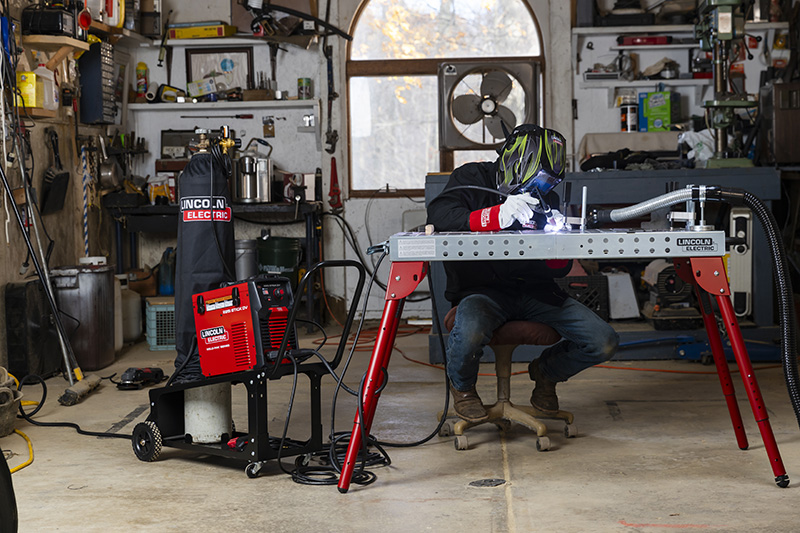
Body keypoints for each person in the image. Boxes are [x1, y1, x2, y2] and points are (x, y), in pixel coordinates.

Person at [426, 124, 619, 423]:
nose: (542, 191)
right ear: (519, 163)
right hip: (483, 291)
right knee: (471, 330)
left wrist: (558, 243)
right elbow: (439, 215)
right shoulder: (472, 178)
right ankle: (463, 389)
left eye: (549, 184)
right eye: (540, 181)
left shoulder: (547, 201)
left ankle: (546, 374)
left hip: (536, 292)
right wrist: (496, 216)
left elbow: (560, 268)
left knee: (603, 341)